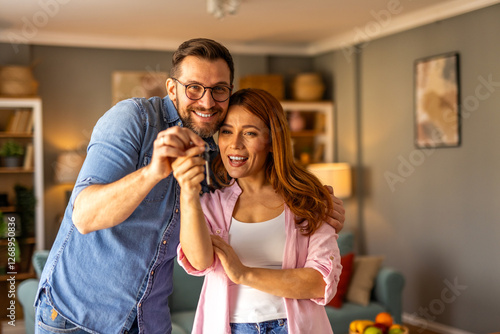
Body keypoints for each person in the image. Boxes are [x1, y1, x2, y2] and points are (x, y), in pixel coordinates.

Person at [35, 38, 345, 334]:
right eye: (194, 88)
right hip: (78, 314)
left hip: (148, 319)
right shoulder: (133, 120)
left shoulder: (216, 154)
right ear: (172, 88)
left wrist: (320, 200)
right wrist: (153, 172)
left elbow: (255, 195)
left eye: (219, 90)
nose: (207, 101)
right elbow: (85, 217)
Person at [172, 88, 342, 334]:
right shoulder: (211, 204)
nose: (235, 144)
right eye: (227, 131)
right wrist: (187, 192)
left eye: (249, 133)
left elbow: (320, 282)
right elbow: (199, 262)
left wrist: (243, 274)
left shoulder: (308, 200)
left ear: (272, 141)